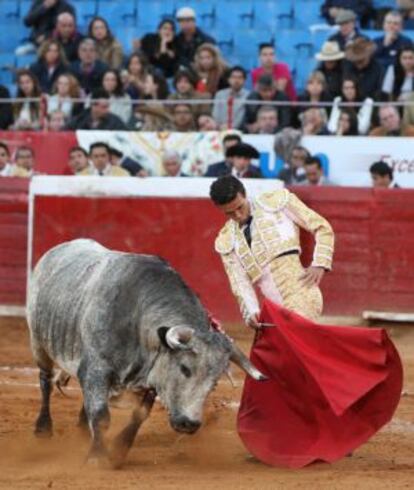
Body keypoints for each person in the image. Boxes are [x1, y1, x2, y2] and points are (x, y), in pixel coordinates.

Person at [210, 175, 334, 324]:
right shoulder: (227, 239)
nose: (238, 215)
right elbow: (239, 282)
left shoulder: (276, 203)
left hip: (301, 294)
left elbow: (322, 227)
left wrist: (320, 263)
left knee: (296, 341)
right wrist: (251, 312)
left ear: (245, 194)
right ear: (219, 209)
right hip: (276, 308)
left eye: (240, 207)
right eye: (229, 213)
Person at [213, 66, 249, 130]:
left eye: (240, 78)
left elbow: (244, 117)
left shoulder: (248, 95)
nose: (236, 80)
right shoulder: (220, 94)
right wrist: (220, 126)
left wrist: (232, 127)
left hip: (240, 130)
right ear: (228, 79)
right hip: (220, 129)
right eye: (234, 77)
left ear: (244, 80)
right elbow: (216, 114)